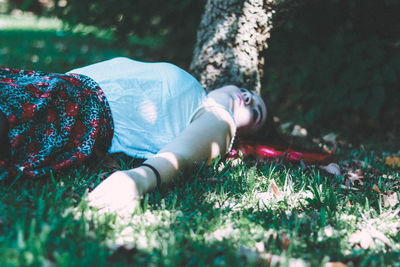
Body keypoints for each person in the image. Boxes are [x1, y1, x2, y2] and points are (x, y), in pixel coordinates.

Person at [0, 57, 268, 214]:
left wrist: (137, 180)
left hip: (69, 110)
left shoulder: (219, 119)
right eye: (249, 92)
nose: (248, 98)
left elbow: (183, 155)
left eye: (256, 113)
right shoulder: (196, 92)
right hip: (42, 85)